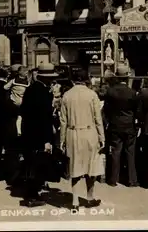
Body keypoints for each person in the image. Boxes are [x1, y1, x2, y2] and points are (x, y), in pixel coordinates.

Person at [59, 69, 105, 210]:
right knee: (91, 166)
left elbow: (63, 121)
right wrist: (101, 136)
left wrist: (62, 140)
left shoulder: (66, 95)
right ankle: (89, 198)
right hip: (90, 132)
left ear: (73, 80)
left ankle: (75, 201)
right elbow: (98, 118)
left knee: (75, 167)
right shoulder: (92, 95)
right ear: (86, 79)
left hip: (72, 133)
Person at [20, 63, 56, 207]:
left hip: (28, 131)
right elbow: (45, 119)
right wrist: (47, 140)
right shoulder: (43, 93)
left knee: (30, 164)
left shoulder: (30, 89)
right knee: (37, 165)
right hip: (39, 134)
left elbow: (23, 110)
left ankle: (31, 193)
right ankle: (32, 196)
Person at [103, 65, 139, 187]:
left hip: (115, 125)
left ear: (117, 77)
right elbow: (137, 110)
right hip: (129, 125)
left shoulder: (110, 92)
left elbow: (106, 109)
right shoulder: (132, 93)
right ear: (127, 78)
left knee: (115, 151)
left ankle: (113, 179)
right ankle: (132, 180)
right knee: (130, 152)